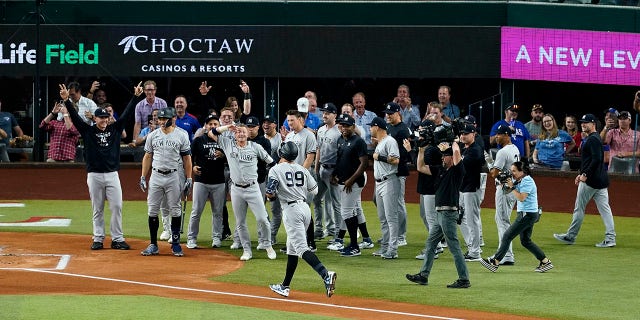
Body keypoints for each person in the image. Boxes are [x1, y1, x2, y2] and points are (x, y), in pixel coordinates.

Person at [58, 82, 143, 251]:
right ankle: (98, 238)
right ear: (94, 118)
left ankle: (117, 239)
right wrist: (67, 100)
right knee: (97, 208)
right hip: (95, 175)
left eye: (106, 117)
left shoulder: (115, 130)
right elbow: (75, 117)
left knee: (117, 206)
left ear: (109, 118)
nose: (104, 120)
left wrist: (135, 97)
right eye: (100, 117)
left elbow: (126, 115)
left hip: (112, 174)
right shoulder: (88, 131)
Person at [266, 141, 337, 298]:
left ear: (281, 153)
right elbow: (315, 190)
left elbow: (270, 193)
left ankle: (326, 274)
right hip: (305, 209)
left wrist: (277, 194)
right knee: (292, 249)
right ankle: (285, 286)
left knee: (301, 248)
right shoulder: (302, 169)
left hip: (291, 211)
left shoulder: (275, 170)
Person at [406, 141, 470, 289]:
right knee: (430, 244)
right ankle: (423, 275)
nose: (443, 158)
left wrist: (453, 142)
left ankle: (464, 279)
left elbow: (456, 154)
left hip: (448, 213)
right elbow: (420, 167)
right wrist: (421, 150)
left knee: (454, 246)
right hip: (439, 213)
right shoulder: (440, 170)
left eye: (445, 156)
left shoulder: (457, 171)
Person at [208, 123, 277, 261]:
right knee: (240, 222)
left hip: (253, 188)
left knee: (262, 218)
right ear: (234, 134)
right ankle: (247, 250)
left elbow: (272, 163)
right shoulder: (228, 144)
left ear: (247, 134)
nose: (241, 134)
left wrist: (273, 182)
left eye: (243, 132)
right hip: (237, 189)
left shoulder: (255, 147)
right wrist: (228, 127)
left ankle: (268, 245)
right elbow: (211, 132)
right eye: (238, 132)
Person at [554, 114, 617, 248]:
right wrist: (580, 173)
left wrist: (585, 175)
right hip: (600, 180)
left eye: (586, 122)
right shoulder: (595, 138)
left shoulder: (593, 139)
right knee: (605, 210)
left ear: (593, 124)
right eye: (582, 122)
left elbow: (596, 159)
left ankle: (571, 236)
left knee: (579, 209)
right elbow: (591, 160)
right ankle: (610, 238)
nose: (583, 124)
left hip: (591, 181)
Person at [480, 161, 553, 273]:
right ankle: (545, 261)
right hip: (528, 214)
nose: (511, 173)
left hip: (526, 215)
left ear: (522, 171)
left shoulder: (527, 181)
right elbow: (506, 191)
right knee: (525, 241)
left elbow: (521, 198)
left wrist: (512, 186)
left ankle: (495, 262)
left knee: (507, 236)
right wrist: (502, 183)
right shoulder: (520, 180)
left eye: (514, 171)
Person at [139, 107, 193, 257]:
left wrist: (189, 178)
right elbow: (147, 156)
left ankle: (175, 243)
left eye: (165, 119)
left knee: (175, 209)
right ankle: (153, 244)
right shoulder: (153, 135)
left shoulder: (182, 135)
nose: (162, 122)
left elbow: (187, 158)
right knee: (152, 210)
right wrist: (143, 176)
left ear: (173, 119)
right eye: (160, 119)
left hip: (174, 175)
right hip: (156, 175)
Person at [331, 114, 370, 257]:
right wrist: (334, 174)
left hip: (353, 183)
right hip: (343, 181)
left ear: (353, 127)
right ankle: (354, 243)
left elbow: (364, 163)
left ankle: (354, 246)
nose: (344, 128)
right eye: (342, 125)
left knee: (347, 212)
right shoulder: (340, 139)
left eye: (347, 125)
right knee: (351, 212)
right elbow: (340, 159)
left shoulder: (358, 142)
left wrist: (351, 180)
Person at [186, 114, 227, 249]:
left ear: (219, 126)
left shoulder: (224, 141)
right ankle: (191, 238)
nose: (213, 126)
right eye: (210, 124)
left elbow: (232, 157)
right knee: (196, 211)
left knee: (218, 212)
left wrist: (223, 155)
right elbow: (189, 157)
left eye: (215, 124)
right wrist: (193, 167)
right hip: (201, 180)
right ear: (205, 126)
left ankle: (216, 237)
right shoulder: (198, 140)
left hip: (219, 181)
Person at [280, 109, 318, 252]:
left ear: (300, 120)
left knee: (304, 209)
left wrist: (300, 174)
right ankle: (295, 243)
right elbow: (284, 157)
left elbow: (310, 157)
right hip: (291, 180)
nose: (290, 123)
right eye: (288, 120)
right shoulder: (289, 136)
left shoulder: (309, 135)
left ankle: (310, 242)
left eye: (292, 120)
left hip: (303, 179)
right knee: (293, 212)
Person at [369, 116, 401, 259]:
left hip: (389, 182)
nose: (370, 129)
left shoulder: (390, 141)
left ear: (378, 127)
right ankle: (385, 247)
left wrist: (379, 157)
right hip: (379, 183)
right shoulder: (382, 142)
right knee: (383, 218)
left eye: (371, 126)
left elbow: (396, 160)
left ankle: (392, 250)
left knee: (391, 217)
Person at [413, 119, 444, 260]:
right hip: (426, 188)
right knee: (425, 217)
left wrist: (418, 150)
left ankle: (434, 248)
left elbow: (420, 167)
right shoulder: (430, 147)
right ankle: (436, 245)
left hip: (431, 189)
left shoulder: (432, 149)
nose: (419, 135)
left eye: (422, 132)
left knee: (431, 219)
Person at [490, 124, 520, 265]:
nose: (496, 136)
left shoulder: (503, 152)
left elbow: (494, 173)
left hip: (504, 189)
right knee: (502, 219)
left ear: (506, 135)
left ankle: (506, 255)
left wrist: (490, 164)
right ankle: (504, 252)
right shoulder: (515, 148)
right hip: (512, 188)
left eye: (499, 134)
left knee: (502, 221)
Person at [313, 103, 341, 241]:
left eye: (327, 113)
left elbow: (341, 155)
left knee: (336, 203)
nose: (324, 115)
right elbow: (318, 149)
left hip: (333, 170)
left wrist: (337, 173)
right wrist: (316, 168)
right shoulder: (321, 130)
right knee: (317, 199)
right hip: (322, 169)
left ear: (334, 115)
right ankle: (319, 229)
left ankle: (337, 234)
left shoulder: (339, 131)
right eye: (323, 112)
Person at [384, 102, 411, 247]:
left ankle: (401, 236)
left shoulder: (403, 129)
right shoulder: (388, 127)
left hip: (399, 171)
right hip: (388, 171)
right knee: (380, 200)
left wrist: (390, 158)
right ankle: (391, 233)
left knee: (399, 203)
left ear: (397, 113)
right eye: (387, 113)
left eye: (390, 113)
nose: (387, 116)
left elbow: (405, 152)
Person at [458, 124, 485, 261]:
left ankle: (475, 251)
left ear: (473, 134)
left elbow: (460, 166)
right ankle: (472, 246)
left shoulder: (475, 150)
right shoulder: (465, 148)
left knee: (471, 219)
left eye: (466, 133)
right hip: (464, 187)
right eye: (462, 133)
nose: (463, 135)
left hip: (471, 188)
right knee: (460, 217)